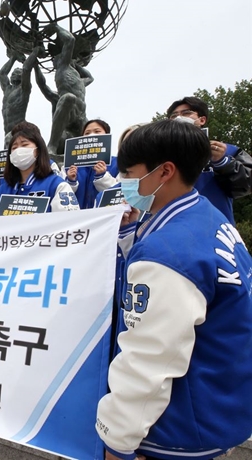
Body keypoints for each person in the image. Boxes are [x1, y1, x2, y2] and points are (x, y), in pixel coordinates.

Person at [96, 119, 252, 460]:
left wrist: (117, 441)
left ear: (165, 171)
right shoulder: (207, 217)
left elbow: (149, 359)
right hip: (218, 406)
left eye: (129, 172)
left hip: (179, 426)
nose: (123, 182)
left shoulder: (169, 252)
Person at [166, 96, 252, 223]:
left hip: (216, 230)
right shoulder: (160, 156)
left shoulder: (228, 151)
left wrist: (223, 162)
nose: (179, 118)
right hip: (172, 228)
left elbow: (246, 185)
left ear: (202, 120)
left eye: (186, 113)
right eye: (174, 116)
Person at [0, 121, 80, 216]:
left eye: (24, 145)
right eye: (14, 147)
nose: (18, 150)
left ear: (38, 150)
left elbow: (69, 224)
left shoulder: (56, 185)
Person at [40, 23, 94, 155]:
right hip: (69, 111)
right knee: (68, 98)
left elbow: (90, 78)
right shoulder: (62, 68)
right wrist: (57, 28)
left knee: (88, 147)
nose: (55, 61)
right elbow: (70, 40)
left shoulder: (77, 78)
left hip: (81, 115)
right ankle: (52, 145)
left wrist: (76, 65)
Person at [64, 119, 116, 209]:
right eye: (87, 133)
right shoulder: (70, 165)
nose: (92, 135)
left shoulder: (117, 163)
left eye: (97, 131)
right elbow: (62, 195)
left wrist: (102, 177)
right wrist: (71, 181)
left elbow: (119, 193)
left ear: (107, 135)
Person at [0, 47, 42, 135]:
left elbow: (26, 69)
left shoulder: (24, 89)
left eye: (17, 73)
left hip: (20, 130)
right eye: (13, 73)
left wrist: (35, 51)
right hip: (7, 132)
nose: (13, 75)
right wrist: (13, 58)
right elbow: (1, 74)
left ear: (22, 77)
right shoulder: (8, 89)